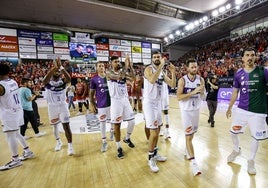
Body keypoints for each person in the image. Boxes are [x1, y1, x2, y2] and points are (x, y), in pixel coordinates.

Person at [226, 48, 268, 175]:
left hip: (258, 112)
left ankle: (251, 160)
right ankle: (236, 150)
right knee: (233, 132)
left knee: (256, 137)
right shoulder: (238, 74)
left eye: (252, 55)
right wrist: (229, 107)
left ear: (255, 58)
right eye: (247, 55)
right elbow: (235, 92)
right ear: (243, 58)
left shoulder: (263, 72)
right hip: (242, 110)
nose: (250, 57)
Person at [143, 51, 176, 172]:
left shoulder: (162, 71)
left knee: (157, 131)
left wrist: (173, 72)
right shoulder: (148, 69)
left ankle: (155, 153)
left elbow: (172, 84)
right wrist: (161, 66)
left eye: (158, 57)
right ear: (152, 59)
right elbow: (151, 80)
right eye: (155, 57)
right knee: (154, 133)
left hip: (157, 104)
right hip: (149, 103)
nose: (157, 58)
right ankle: (150, 158)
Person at [0, 63, 34, 171]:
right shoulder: (13, 81)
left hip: (9, 113)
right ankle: (28, 151)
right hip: (18, 111)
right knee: (17, 133)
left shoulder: (1, 85)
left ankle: (15, 160)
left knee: (10, 136)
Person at [177, 58, 205, 176]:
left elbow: (203, 96)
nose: (194, 69)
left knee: (191, 135)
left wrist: (202, 92)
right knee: (189, 136)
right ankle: (194, 164)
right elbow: (178, 97)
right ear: (187, 68)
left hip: (196, 110)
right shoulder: (182, 80)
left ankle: (186, 150)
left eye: (196, 67)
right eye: (192, 67)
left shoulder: (201, 79)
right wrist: (193, 92)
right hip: (186, 111)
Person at [42, 57, 74, 156]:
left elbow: (69, 79)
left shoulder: (63, 82)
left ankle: (70, 146)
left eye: (58, 72)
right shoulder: (48, 82)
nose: (57, 72)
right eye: (55, 71)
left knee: (66, 126)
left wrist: (61, 68)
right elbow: (44, 82)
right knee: (55, 126)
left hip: (63, 106)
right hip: (52, 107)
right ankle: (58, 142)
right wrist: (53, 69)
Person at [106, 55, 136, 159]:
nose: (118, 63)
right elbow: (119, 77)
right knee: (117, 126)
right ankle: (119, 147)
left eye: (119, 61)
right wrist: (126, 65)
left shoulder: (123, 72)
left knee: (132, 122)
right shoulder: (108, 73)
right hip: (115, 101)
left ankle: (127, 138)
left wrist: (131, 66)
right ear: (111, 63)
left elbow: (133, 78)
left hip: (125, 99)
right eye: (115, 61)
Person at [90, 61, 113, 152]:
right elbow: (91, 94)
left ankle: (112, 131)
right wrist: (92, 104)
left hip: (112, 103)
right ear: (96, 68)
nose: (101, 67)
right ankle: (104, 141)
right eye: (99, 66)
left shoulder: (110, 77)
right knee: (102, 122)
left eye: (102, 66)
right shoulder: (94, 79)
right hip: (101, 105)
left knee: (113, 121)